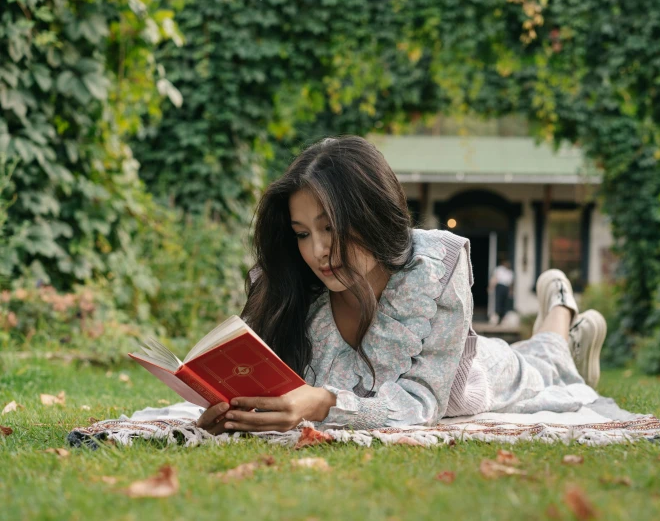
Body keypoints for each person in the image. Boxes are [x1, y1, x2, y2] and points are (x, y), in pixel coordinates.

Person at [196, 136, 607, 435]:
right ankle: (566, 328)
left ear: (372, 215)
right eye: (302, 233)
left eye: (331, 226)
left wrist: (323, 404)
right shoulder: (298, 293)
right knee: (543, 357)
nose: (318, 250)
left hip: (476, 375)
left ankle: (560, 308)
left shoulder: (433, 268)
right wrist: (233, 412)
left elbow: (422, 402)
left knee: (542, 363)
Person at [488, 256, 514, 324]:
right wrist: (491, 286)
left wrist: (511, 291)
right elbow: (495, 278)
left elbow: (511, 283)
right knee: (498, 301)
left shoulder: (510, 272)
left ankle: (503, 319)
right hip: (500, 286)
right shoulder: (499, 269)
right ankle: (496, 318)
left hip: (506, 287)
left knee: (505, 303)